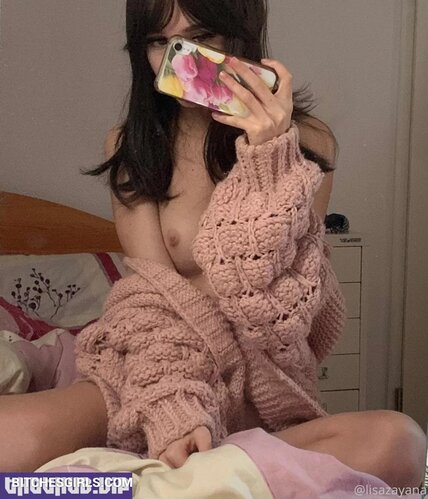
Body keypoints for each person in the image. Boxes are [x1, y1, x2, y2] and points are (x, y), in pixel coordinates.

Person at [0, 0, 425, 489]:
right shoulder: (132, 146)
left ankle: (172, 481)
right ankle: (209, 479)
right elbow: (150, 298)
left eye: (201, 38)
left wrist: (268, 160)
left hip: (258, 382)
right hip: (154, 365)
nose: (178, 59)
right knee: (11, 440)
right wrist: (174, 405)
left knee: (399, 442)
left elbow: (278, 312)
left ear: (238, 35)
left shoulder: (309, 143)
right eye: (159, 42)